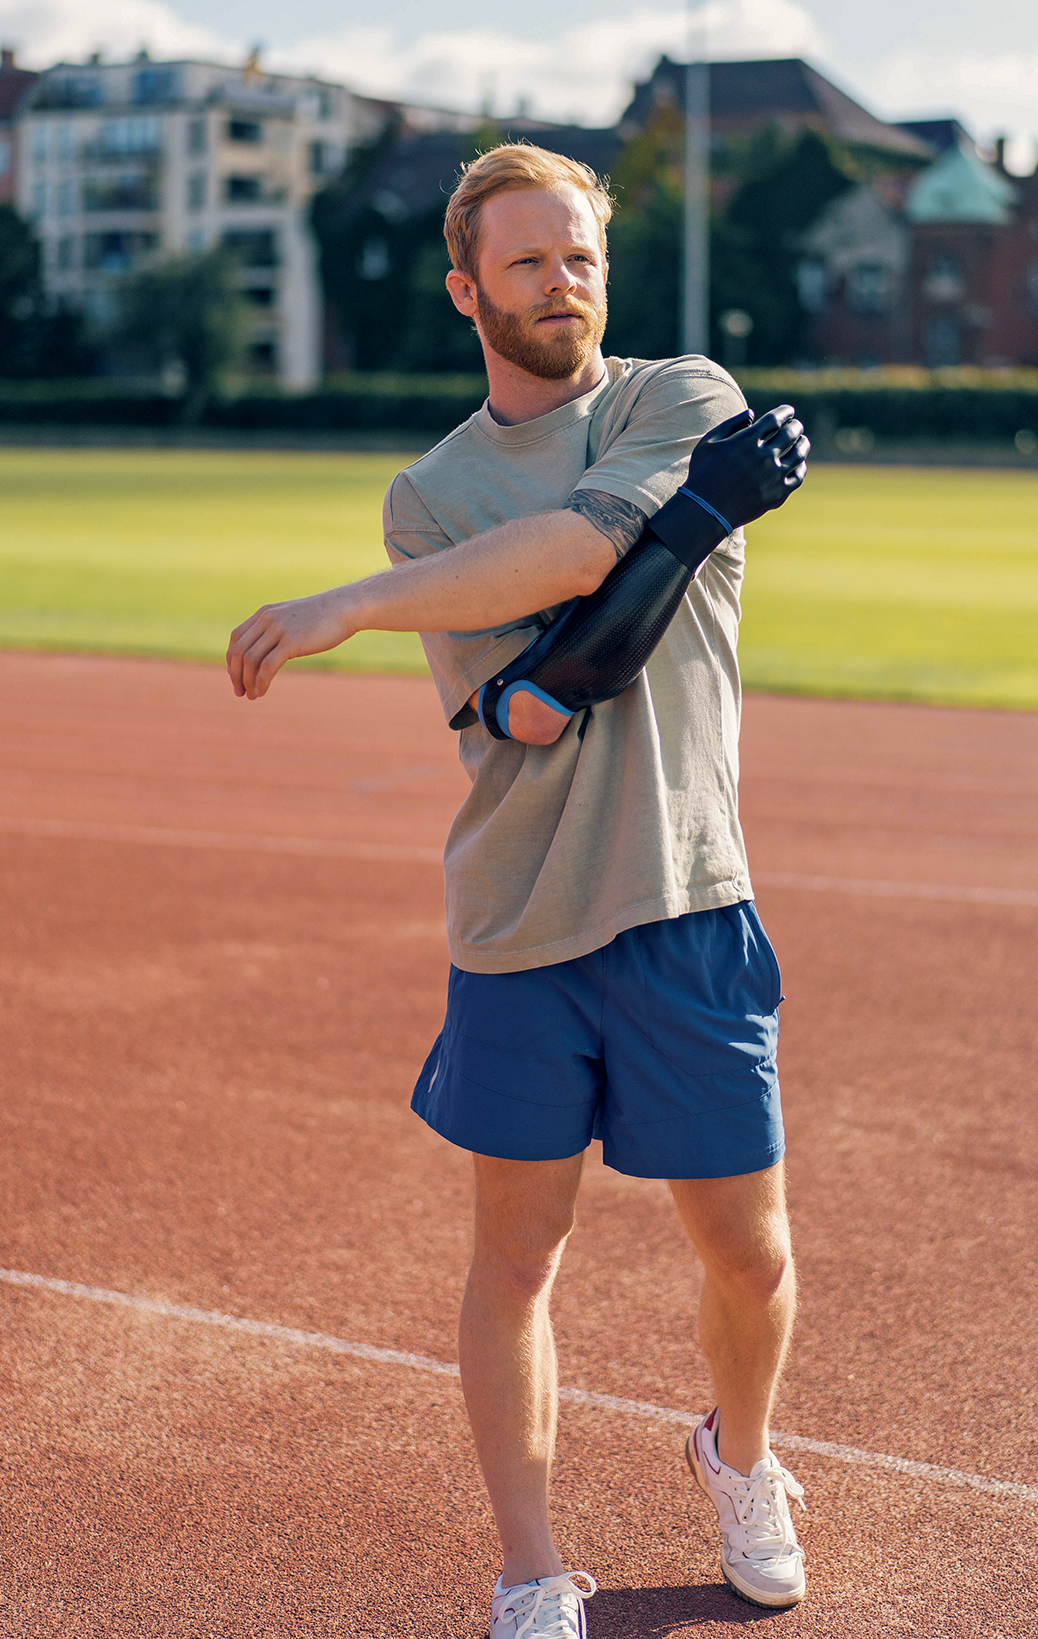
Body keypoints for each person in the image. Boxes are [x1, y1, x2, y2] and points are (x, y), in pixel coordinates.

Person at [227, 143, 810, 1639]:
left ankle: (739, 1459)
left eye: (582, 256)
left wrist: (353, 609)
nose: (565, 281)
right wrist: (493, 609)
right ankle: (531, 1567)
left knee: (750, 1256)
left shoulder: (677, 398)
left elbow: (582, 549)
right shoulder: (430, 500)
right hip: (519, 922)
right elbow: (538, 701)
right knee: (512, 1260)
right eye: (532, 259)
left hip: (686, 893)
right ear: (466, 286)